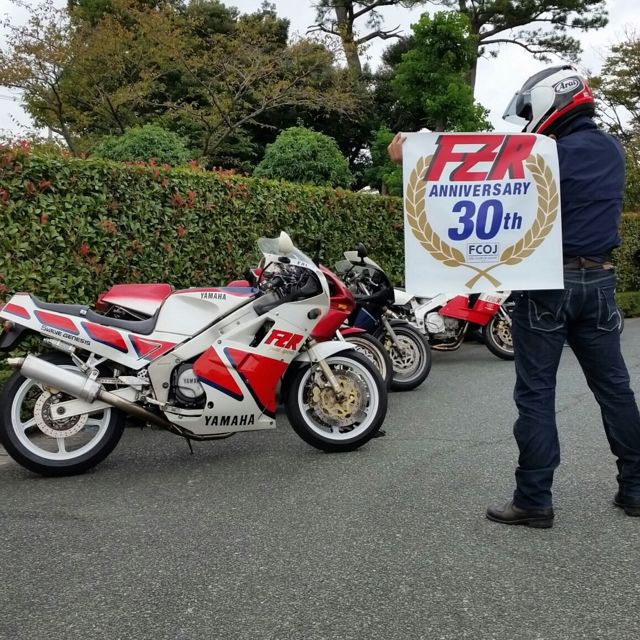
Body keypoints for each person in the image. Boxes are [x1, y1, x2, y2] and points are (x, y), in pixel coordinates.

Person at [387, 65, 640, 528]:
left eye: (528, 110)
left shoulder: (543, 156)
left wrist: (412, 154)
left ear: (550, 101)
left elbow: (469, 175)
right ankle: (636, 488)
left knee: (537, 394)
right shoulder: (613, 149)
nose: (526, 120)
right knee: (614, 389)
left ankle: (534, 499)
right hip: (601, 283)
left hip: (546, 285)